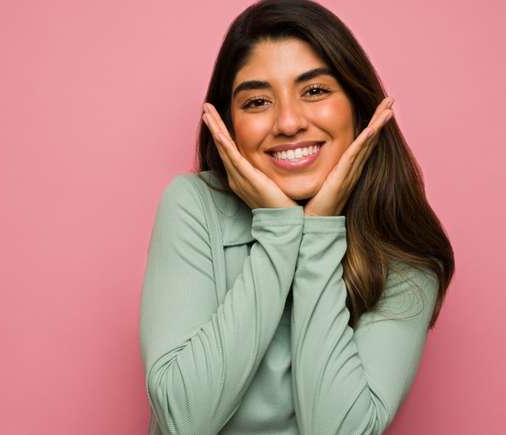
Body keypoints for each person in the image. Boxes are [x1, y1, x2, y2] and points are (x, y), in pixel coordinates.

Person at [139, 0, 455, 433]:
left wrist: (320, 231)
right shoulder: (194, 205)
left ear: (358, 106)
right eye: (257, 101)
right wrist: (279, 232)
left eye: (315, 91)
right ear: (228, 125)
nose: (288, 123)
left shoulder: (401, 251)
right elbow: (182, 419)